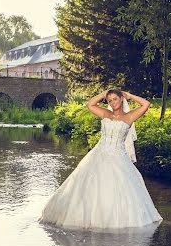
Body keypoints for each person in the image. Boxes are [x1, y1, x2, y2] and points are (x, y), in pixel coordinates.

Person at [39, 87, 163, 230]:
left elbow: (146, 104)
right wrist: (104, 94)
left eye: (115, 99)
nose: (113, 102)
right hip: (99, 153)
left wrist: (129, 95)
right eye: (110, 100)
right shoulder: (105, 113)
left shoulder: (129, 117)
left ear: (121, 99)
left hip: (118, 157)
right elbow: (90, 104)